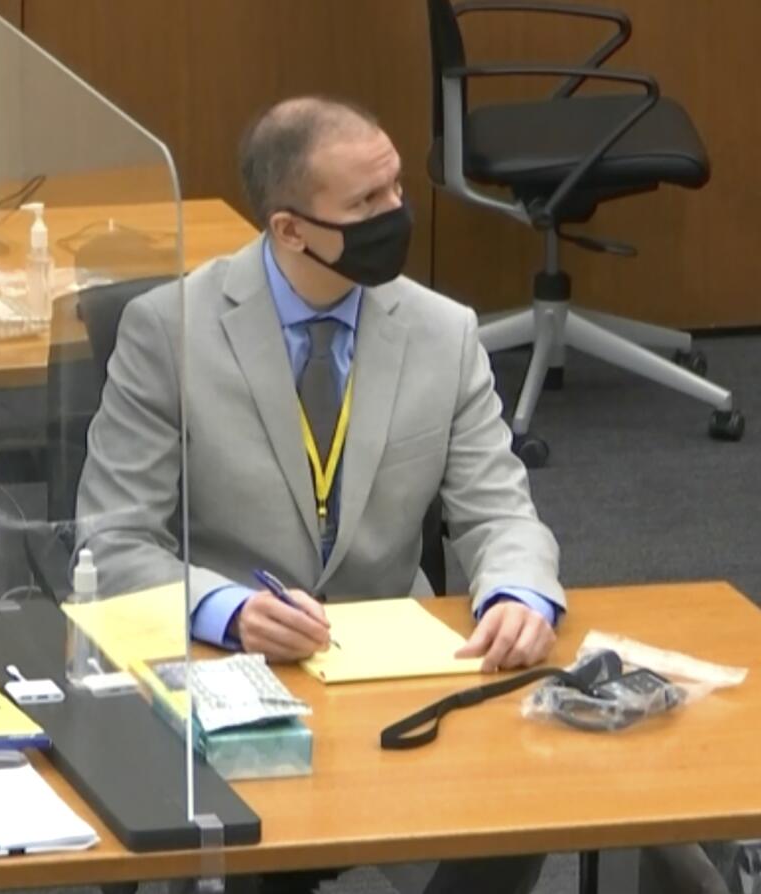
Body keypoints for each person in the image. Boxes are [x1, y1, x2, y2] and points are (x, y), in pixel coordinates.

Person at [75, 96, 564, 893]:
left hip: (393, 671)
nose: (394, 214)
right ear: (289, 229)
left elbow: (499, 510)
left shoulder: (445, 331)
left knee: (522, 814)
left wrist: (518, 592)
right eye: (366, 204)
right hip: (225, 676)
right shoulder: (170, 330)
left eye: (396, 191)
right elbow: (111, 541)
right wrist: (223, 609)